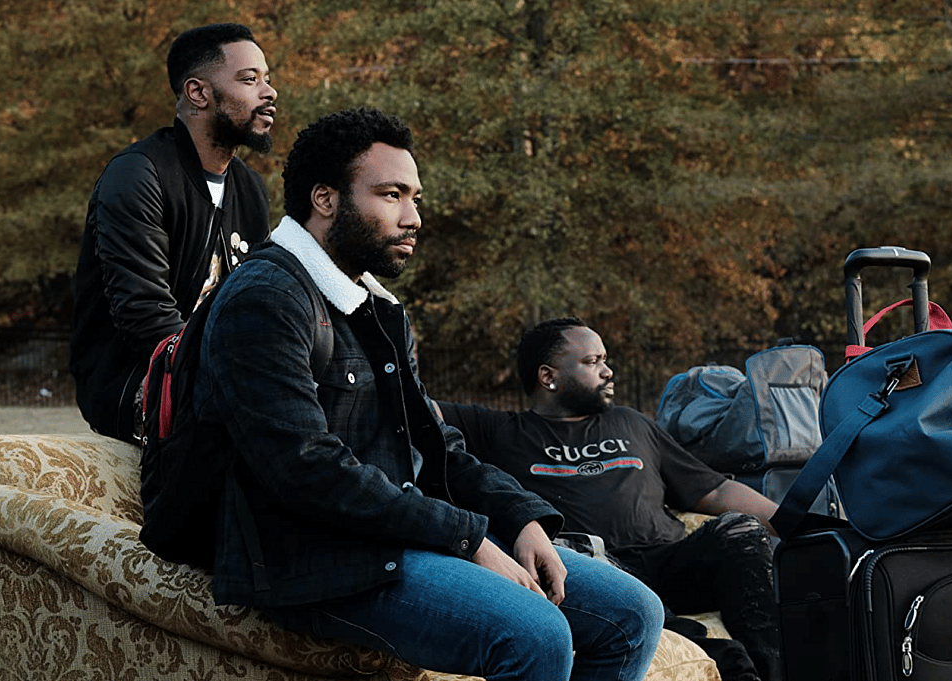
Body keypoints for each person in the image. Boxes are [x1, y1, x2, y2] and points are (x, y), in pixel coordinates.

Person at [192, 108, 665, 681]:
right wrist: (468, 539)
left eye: (415, 198)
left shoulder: (378, 308)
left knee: (632, 613)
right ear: (326, 199)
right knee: (536, 634)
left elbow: (435, 444)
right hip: (312, 556)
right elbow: (305, 468)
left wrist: (518, 519)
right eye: (391, 195)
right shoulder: (266, 297)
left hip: (394, 532)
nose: (413, 217)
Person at [437, 318, 783, 681]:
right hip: (595, 570)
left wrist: (793, 523)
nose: (608, 371)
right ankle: (727, 662)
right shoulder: (497, 429)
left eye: (605, 360)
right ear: (548, 376)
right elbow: (414, 405)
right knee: (592, 563)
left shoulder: (632, 422)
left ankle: (772, 670)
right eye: (592, 362)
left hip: (670, 561)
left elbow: (714, 490)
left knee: (740, 530)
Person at [70, 23, 277, 441]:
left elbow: (258, 302)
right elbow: (145, 315)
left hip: (222, 375)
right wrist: (239, 378)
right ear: (198, 92)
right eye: (249, 80)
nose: (269, 92)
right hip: (137, 381)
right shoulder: (138, 174)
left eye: (267, 79)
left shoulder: (249, 188)